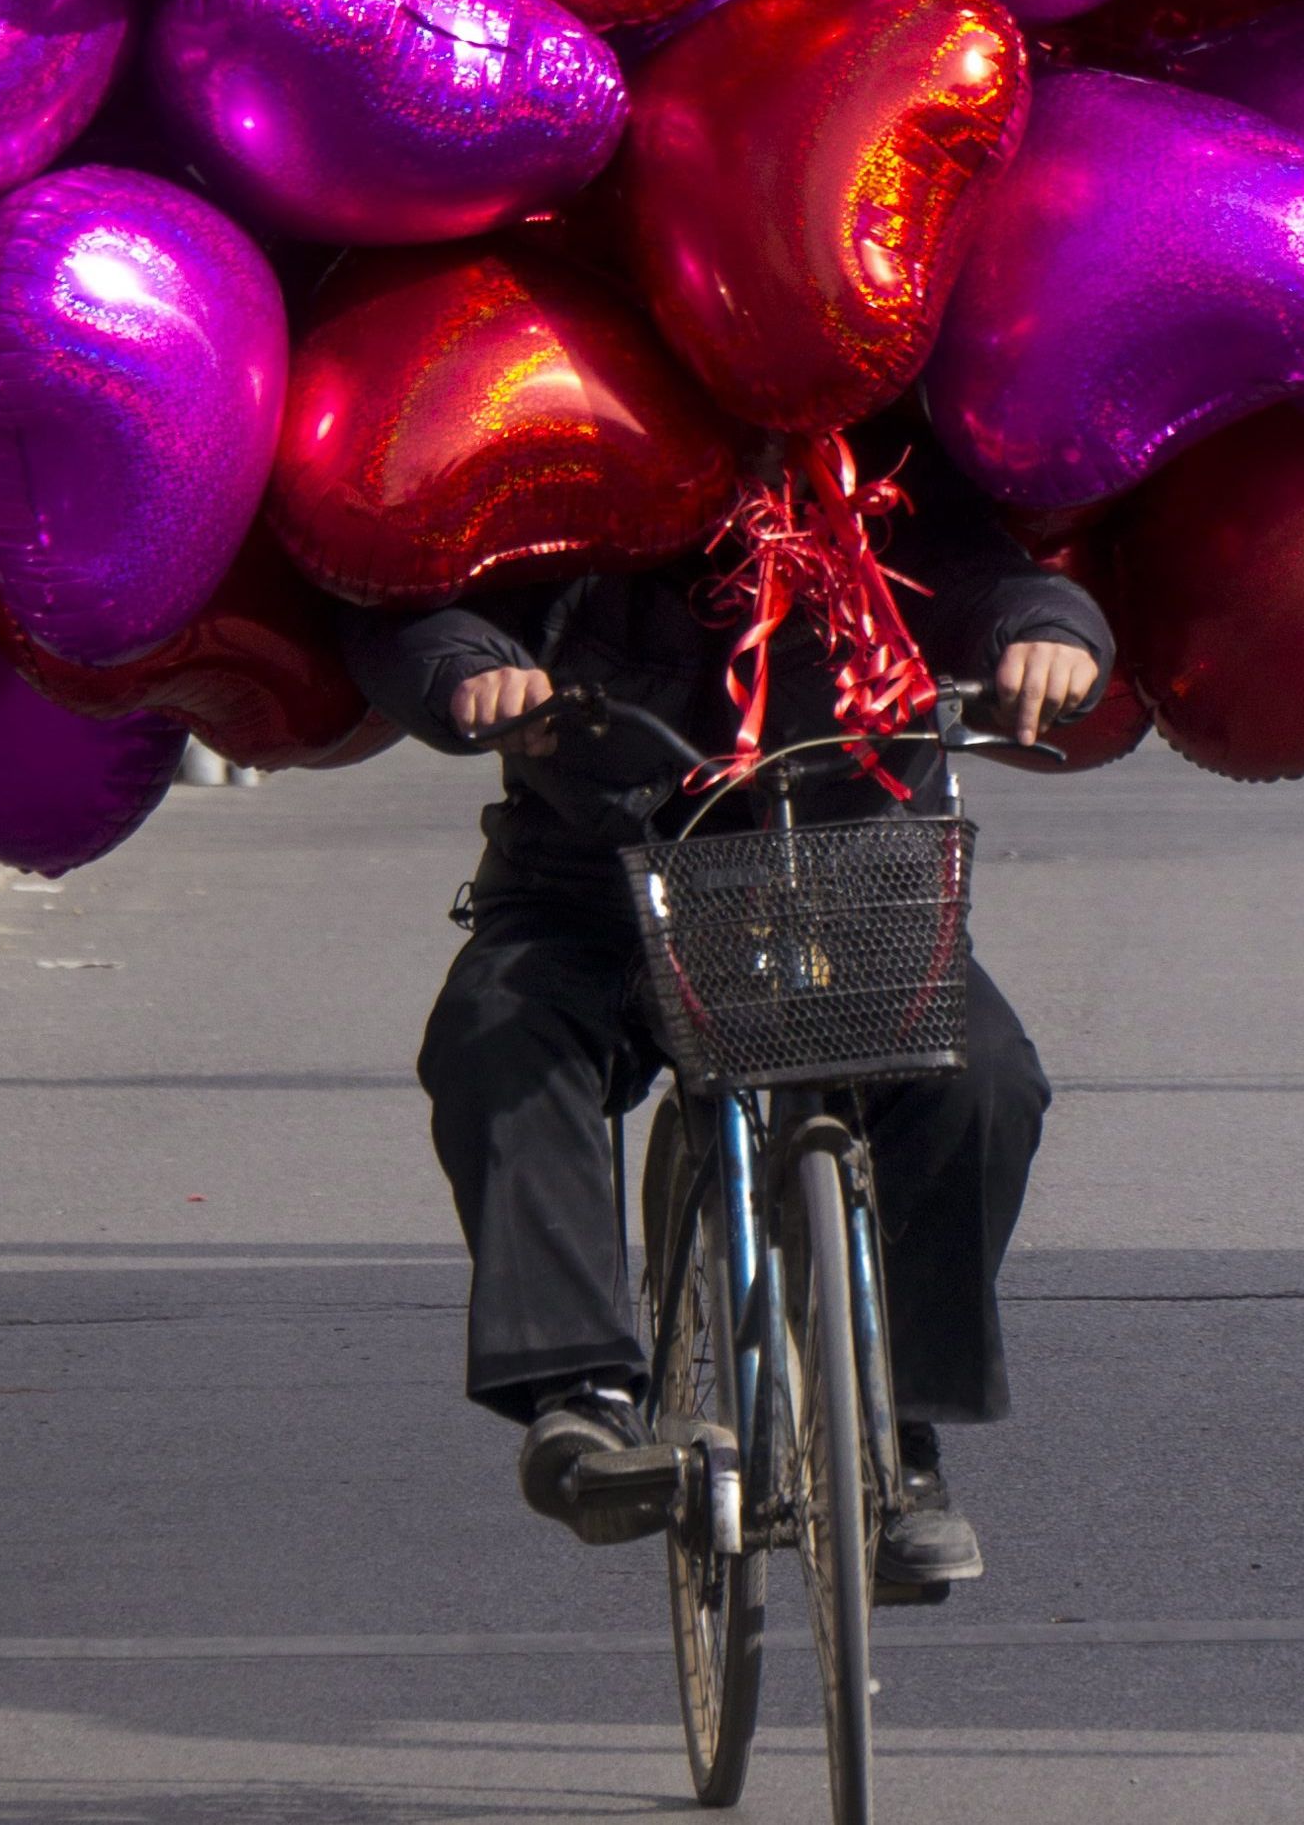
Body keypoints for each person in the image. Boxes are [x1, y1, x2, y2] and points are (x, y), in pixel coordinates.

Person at [342, 428, 1110, 1593]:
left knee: (987, 1076)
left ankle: (898, 1438)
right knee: (497, 1032)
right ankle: (584, 1397)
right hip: (599, 881)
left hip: (849, 877)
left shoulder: (866, 461)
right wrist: (472, 672)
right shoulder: (561, 455)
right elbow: (421, 598)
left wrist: (1048, 635)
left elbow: (985, 574)